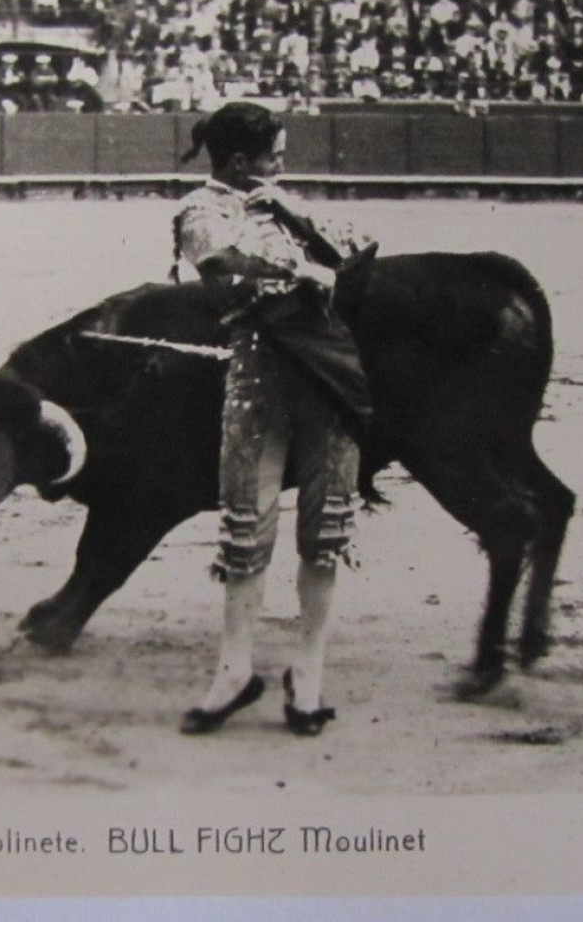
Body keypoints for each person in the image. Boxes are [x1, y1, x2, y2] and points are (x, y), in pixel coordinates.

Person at [169, 102, 375, 737]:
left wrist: (295, 216)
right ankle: (234, 672)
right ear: (237, 162)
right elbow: (221, 270)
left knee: (327, 528)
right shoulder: (200, 211)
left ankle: (306, 678)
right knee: (247, 532)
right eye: (272, 156)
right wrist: (302, 271)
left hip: (327, 382)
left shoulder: (285, 203)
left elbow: (357, 252)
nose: (281, 165)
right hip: (261, 382)